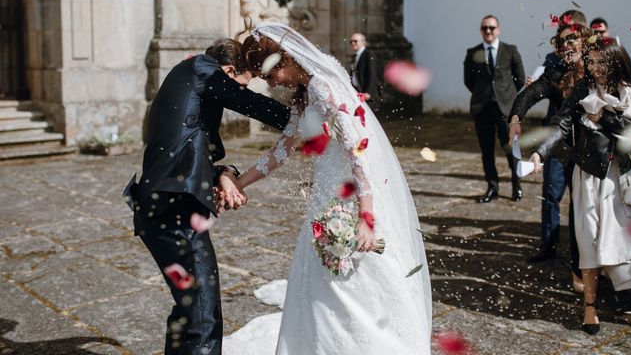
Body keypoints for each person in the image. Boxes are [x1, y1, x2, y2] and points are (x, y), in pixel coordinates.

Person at [235, 23, 431, 354]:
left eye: (267, 76)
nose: (270, 84)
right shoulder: (305, 95)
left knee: (359, 283)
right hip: (324, 202)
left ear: (282, 61)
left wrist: (365, 217)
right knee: (319, 283)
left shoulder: (325, 88)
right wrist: (238, 184)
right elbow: (281, 151)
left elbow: (359, 150)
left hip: (350, 201)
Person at [122, 39, 291, 355]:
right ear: (227, 71)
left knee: (189, 310)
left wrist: (225, 173)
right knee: (203, 316)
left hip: (161, 207)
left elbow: (189, 148)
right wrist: (299, 118)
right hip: (173, 212)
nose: (237, 90)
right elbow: (249, 102)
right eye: (242, 80)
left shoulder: (189, 79)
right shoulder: (202, 69)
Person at [530, 37, 631, 335]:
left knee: (626, 240)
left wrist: (604, 117)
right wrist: (541, 151)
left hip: (623, 177)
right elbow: (561, 124)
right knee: (588, 237)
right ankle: (590, 306)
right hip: (589, 175)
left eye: (601, 61)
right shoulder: (582, 90)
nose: (595, 68)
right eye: (590, 62)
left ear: (616, 61)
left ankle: (630, 298)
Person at [508, 12, 587, 284]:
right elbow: (534, 92)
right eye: (563, 40)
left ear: (584, 38)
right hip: (558, 141)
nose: (567, 45)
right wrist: (516, 117)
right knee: (551, 194)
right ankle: (549, 246)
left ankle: (580, 262)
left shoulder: (595, 64)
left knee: (580, 205)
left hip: (588, 147)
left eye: (573, 38)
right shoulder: (554, 63)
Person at [463, 15, 525, 202]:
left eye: (491, 27)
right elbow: (469, 81)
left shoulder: (510, 50)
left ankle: (517, 186)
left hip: (505, 109)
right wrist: (483, 93)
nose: (488, 31)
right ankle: (492, 187)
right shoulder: (472, 52)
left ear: (498, 29)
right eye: (484, 28)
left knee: (511, 149)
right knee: (487, 152)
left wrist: (507, 97)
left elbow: (520, 78)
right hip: (482, 109)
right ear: (481, 30)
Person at [349, 32, 381, 103]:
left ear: (363, 42)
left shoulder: (368, 54)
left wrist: (368, 92)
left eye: (355, 41)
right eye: (351, 41)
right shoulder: (355, 56)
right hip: (357, 91)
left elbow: (372, 73)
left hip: (366, 93)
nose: (353, 43)